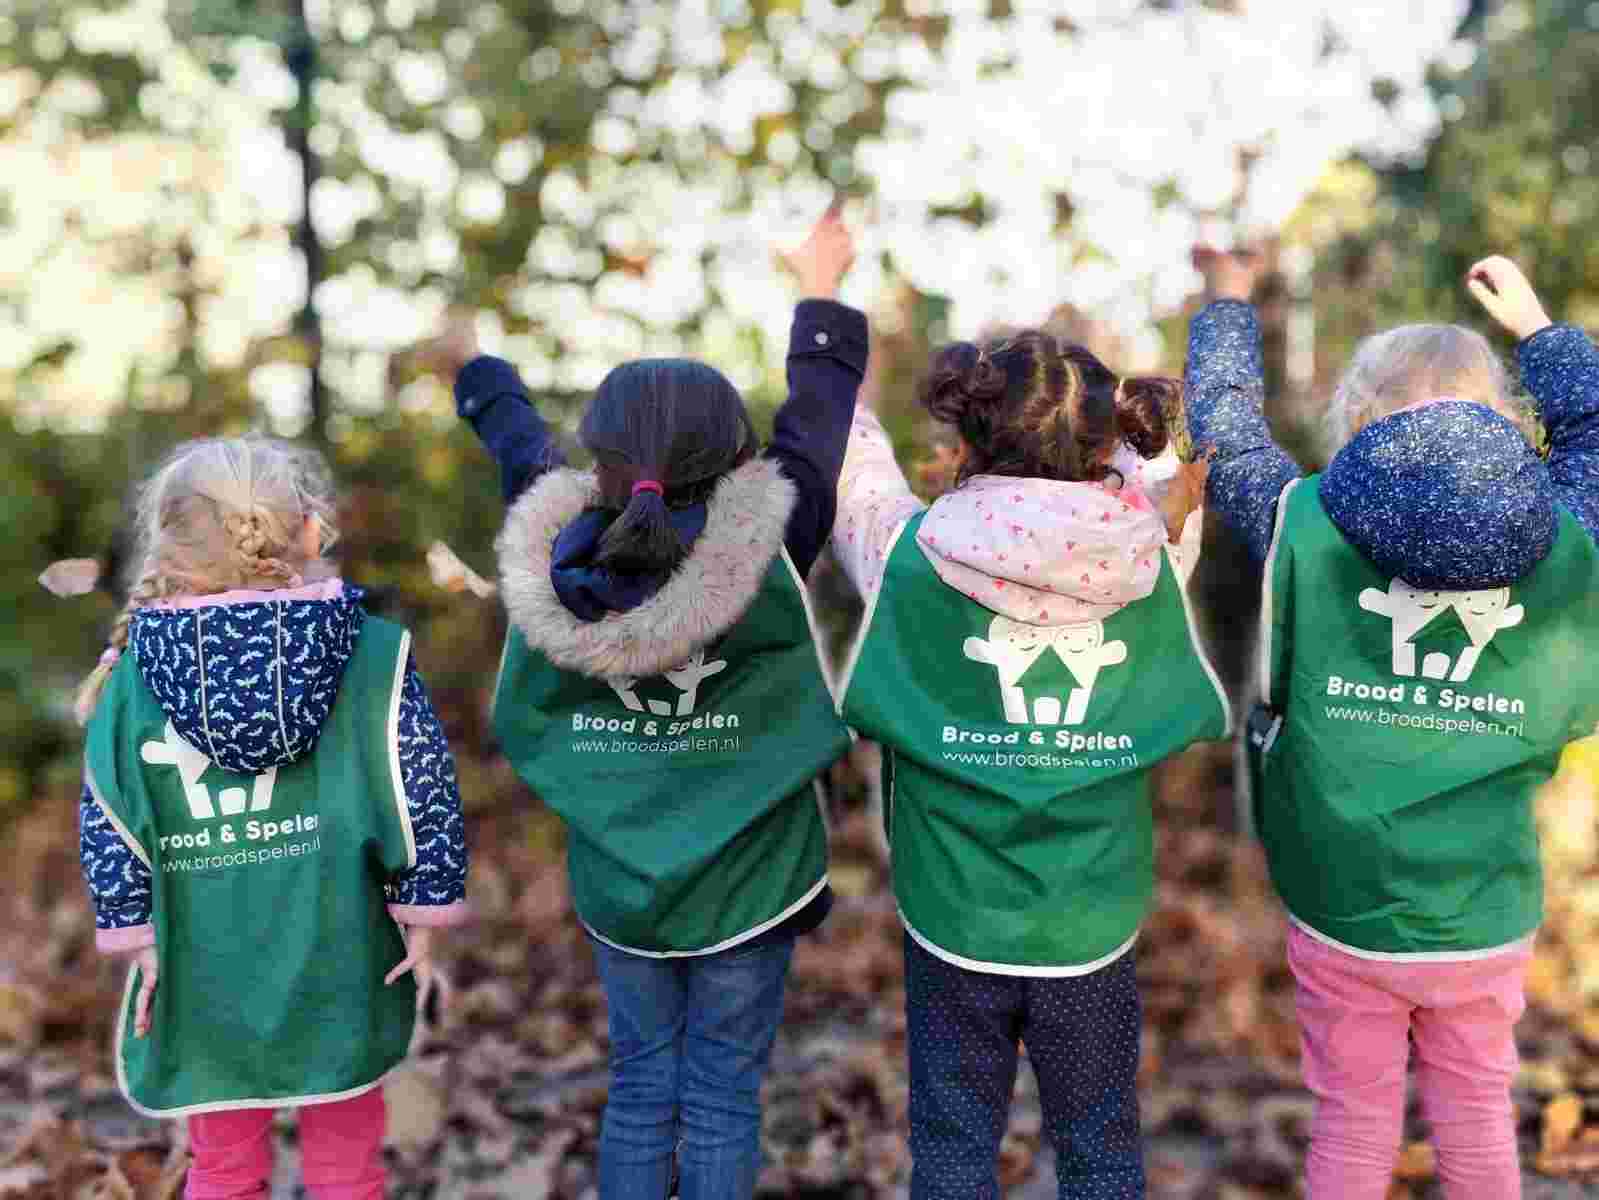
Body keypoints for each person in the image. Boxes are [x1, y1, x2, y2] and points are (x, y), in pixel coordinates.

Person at [450, 202, 866, 1200]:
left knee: (640, 1086)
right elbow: (816, 420)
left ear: (597, 457)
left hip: (622, 884)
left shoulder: (554, 545)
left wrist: (476, 367)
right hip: (751, 882)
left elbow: (518, 450)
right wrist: (820, 287)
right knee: (723, 1093)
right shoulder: (774, 535)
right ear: (736, 457)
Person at [1186, 247, 1599, 1198]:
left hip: (1341, 901)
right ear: (1501, 419)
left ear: (1358, 421)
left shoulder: (1303, 520)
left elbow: (1227, 433)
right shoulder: (1564, 531)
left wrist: (1228, 304)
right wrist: (1537, 328)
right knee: (1478, 1117)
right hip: (1482, 900)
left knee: (1353, 1119)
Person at [831, 330, 1227, 1199]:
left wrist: (845, 382)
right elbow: (1152, 475)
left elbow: (854, 479)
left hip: (952, 915)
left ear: (965, 441)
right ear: (1101, 443)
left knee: (951, 1150)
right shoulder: (1151, 551)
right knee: (1099, 1151)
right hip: (1087, 922)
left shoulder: (904, 551)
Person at [75, 436, 468, 1200]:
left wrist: (137, 935)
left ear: (170, 547)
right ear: (311, 533)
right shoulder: (373, 654)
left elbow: (109, 816)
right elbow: (422, 791)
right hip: (345, 958)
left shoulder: (131, 677)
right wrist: (420, 912)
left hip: (204, 969)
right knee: (348, 1171)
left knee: (222, 1172)